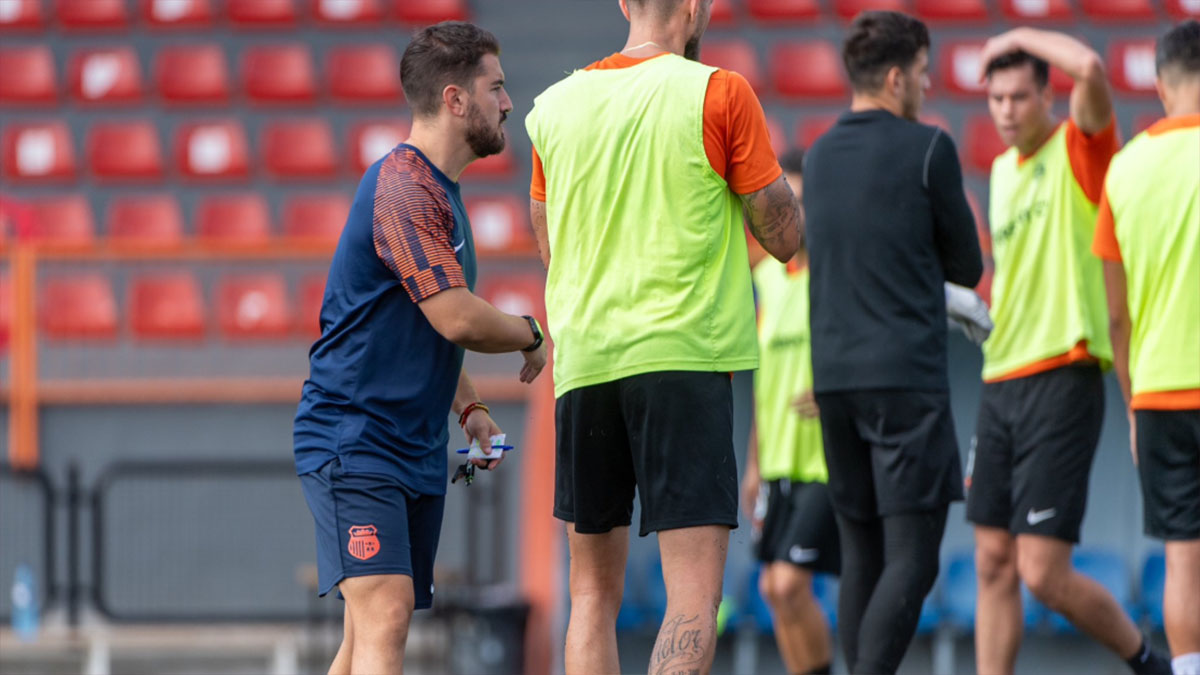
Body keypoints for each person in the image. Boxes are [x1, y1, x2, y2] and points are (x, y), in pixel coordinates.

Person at [525, 0, 802, 671]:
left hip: (586, 364)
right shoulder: (719, 91)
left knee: (590, 594)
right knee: (691, 597)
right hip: (684, 357)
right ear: (695, 5)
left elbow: (549, 244)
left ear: (624, 3)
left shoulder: (553, 107)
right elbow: (785, 238)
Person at [291, 22, 547, 674]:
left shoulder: (438, 192)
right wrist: (534, 332)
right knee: (387, 613)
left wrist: (469, 409)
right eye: (497, 87)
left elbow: (430, 319)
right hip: (356, 440)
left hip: (409, 447)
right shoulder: (404, 187)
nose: (508, 102)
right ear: (456, 99)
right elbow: (457, 317)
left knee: (362, 638)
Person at [966, 27, 1172, 675]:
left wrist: (1018, 31)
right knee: (991, 561)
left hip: (1063, 374)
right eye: (995, 97)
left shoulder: (1079, 149)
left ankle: (1148, 661)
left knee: (1042, 573)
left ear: (1047, 98)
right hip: (1000, 378)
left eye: (1019, 96)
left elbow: (1089, 66)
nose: (1005, 110)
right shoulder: (999, 171)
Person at [803, 11, 983, 674]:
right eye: (924, 72)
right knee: (914, 552)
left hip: (835, 381)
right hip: (903, 379)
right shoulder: (928, 148)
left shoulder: (818, 155)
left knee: (862, 553)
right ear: (898, 75)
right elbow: (966, 265)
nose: (930, 85)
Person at [1093, 19, 1200, 675]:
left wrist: (1133, 404)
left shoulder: (1124, 169)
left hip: (1159, 389)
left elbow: (1116, 315)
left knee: (1183, 554)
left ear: (1160, 83)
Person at [740, 147, 839, 675]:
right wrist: (754, 462)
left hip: (823, 463)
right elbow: (765, 382)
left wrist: (837, 393)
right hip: (776, 463)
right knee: (771, 589)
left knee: (790, 583)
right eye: (785, 201)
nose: (793, 212)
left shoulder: (837, 279)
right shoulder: (767, 281)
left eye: (801, 200)